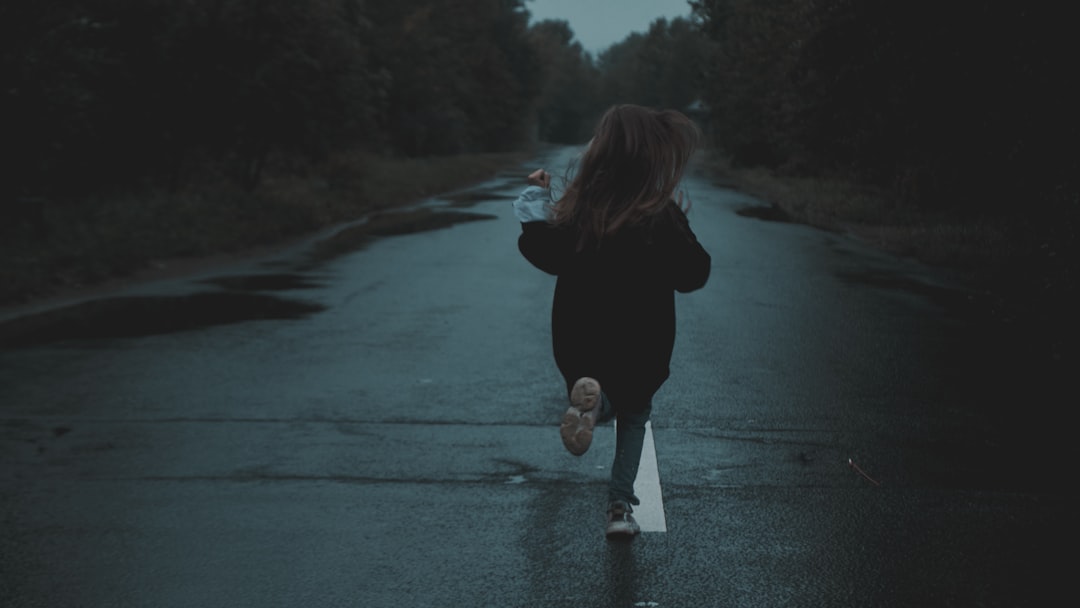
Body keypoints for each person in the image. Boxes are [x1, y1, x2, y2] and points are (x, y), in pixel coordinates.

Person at [512, 104, 712, 538]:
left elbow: (545, 253)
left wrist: (537, 199)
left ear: (600, 153)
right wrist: (681, 224)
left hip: (582, 339)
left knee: (598, 390)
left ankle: (594, 404)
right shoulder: (660, 215)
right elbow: (694, 273)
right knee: (635, 412)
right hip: (643, 342)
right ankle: (619, 510)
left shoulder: (583, 210)